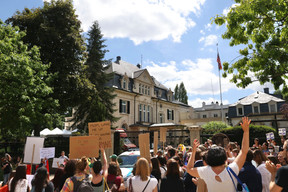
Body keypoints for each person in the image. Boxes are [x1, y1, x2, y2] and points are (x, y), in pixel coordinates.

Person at [186, 116, 250, 192]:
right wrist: (246, 132)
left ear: (208, 159)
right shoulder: (233, 169)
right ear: (226, 158)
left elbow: (189, 169)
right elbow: (243, 151)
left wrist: (193, 152)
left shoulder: (205, 171)